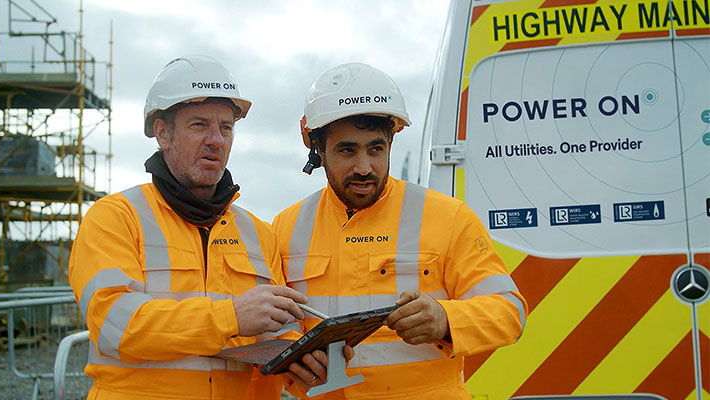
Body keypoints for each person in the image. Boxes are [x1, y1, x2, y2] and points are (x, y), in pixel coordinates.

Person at [273, 63, 529, 399]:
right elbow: (275, 325)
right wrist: (295, 353)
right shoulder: (285, 228)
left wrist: (446, 319)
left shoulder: (447, 217)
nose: (364, 167)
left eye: (375, 149)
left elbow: (509, 312)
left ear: (392, 142)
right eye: (347, 150)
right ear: (318, 150)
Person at [68, 55, 307, 399]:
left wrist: (303, 357)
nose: (216, 140)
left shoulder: (257, 232)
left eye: (226, 127)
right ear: (163, 133)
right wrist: (230, 317)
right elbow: (113, 325)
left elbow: (279, 325)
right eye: (199, 125)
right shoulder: (116, 218)